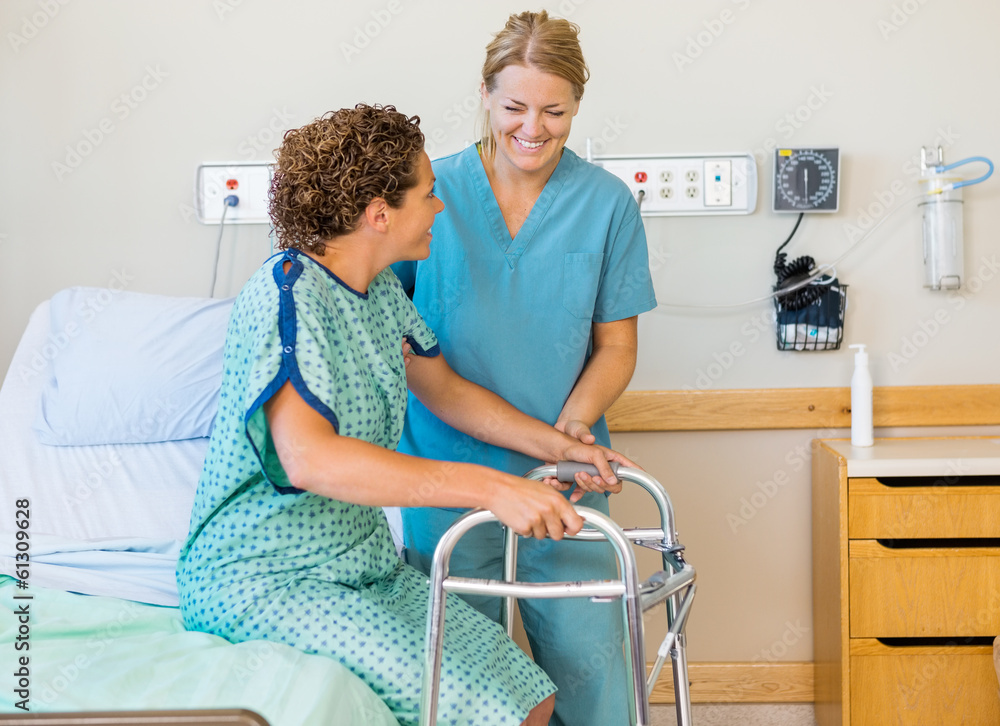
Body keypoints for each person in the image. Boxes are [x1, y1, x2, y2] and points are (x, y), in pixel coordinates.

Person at [175, 104, 635, 726]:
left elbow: (444, 389)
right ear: (379, 213)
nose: (441, 208)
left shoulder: (381, 291)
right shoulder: (287, 295)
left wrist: (561, 447)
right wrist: (490, 488)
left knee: (532, 696)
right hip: (269, 579)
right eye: (429, 195)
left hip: (364, 567)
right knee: (485, 709)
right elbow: (307, 457)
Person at [392, 11, 657, 725]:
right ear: (484, 95)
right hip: (446, 476)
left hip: (565, 478)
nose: (532, 128)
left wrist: (572, 429)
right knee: (464, 685)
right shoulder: (426, 198)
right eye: (514, 107)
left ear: (576, 106)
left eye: (554, 110)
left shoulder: (605, 205)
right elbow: (407, 351)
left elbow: (616, 346)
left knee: (591, 670)